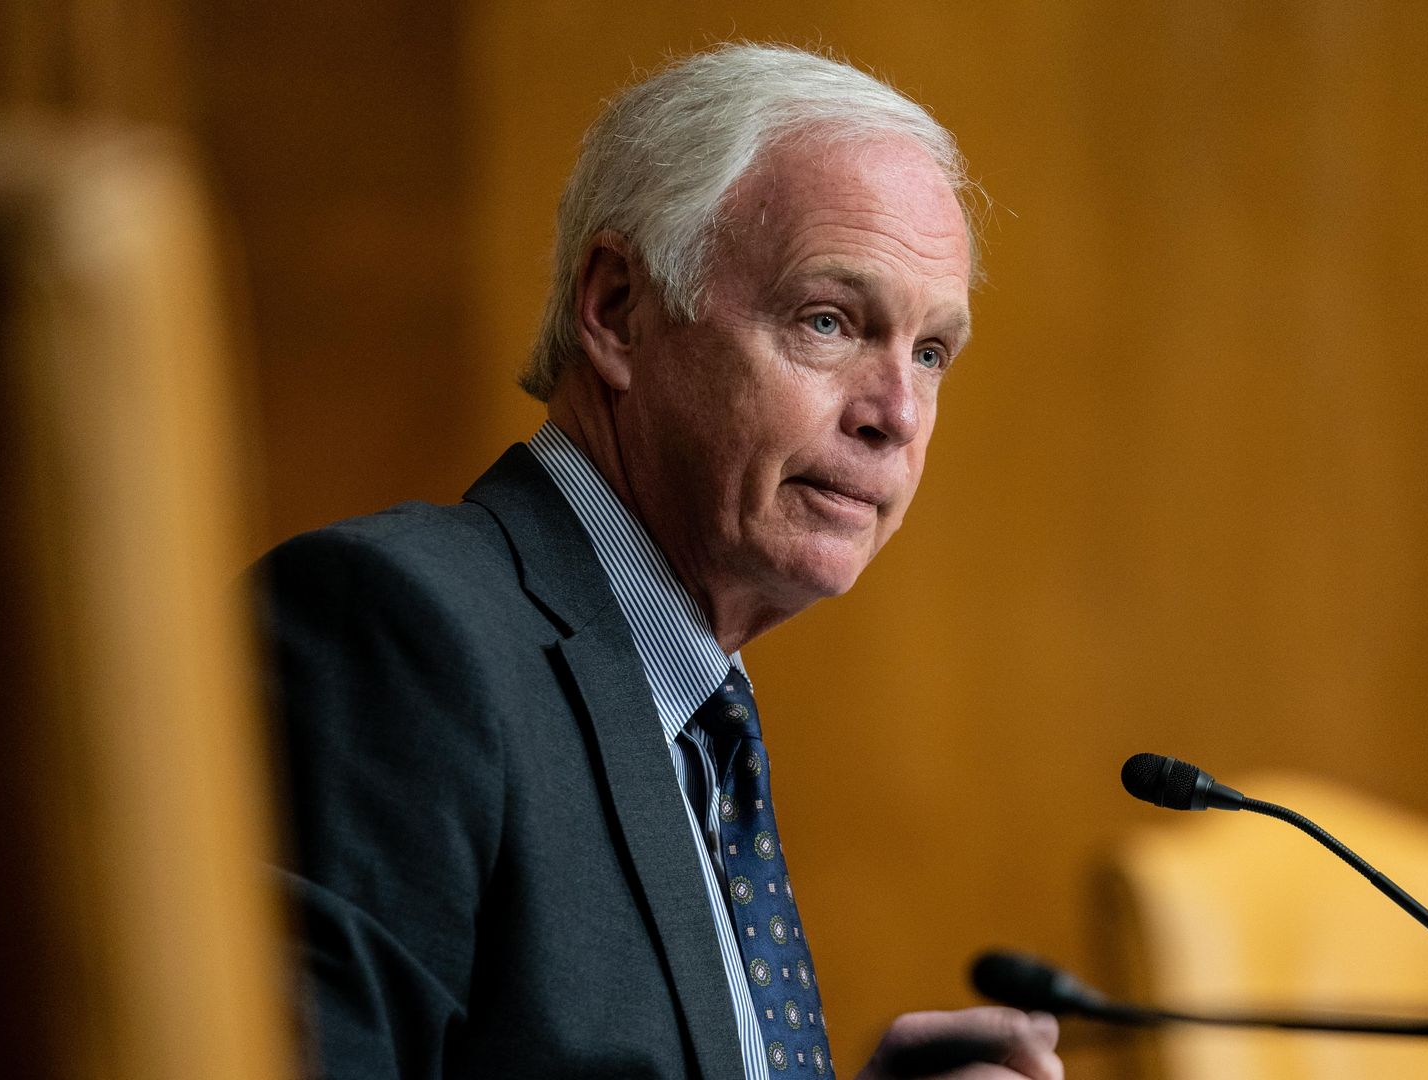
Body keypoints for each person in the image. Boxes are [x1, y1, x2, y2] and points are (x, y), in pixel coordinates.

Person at [257, 42, 1064, 1080]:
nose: (896, 415)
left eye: (929, 352)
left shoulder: (689, 708)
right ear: (616, 311)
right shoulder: (398, 637)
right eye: (828, 320)